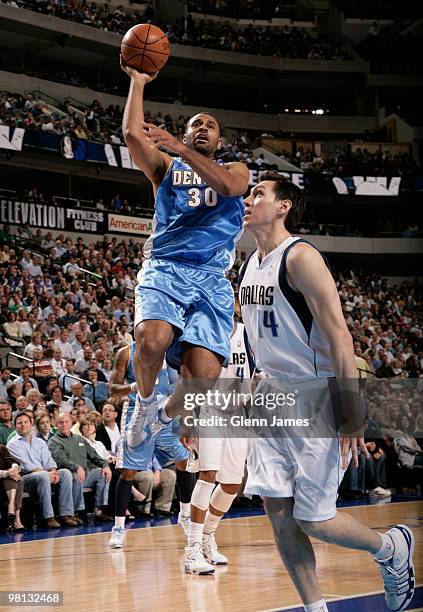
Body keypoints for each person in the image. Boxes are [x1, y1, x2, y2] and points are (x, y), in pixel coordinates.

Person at [239, 172, 415, 612]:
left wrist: (350, 412)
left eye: (258, 192)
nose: (248, 198)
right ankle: (315, 609)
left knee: (314, 519)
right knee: (278, 513)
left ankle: (390, 548)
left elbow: (339, 336)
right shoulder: (248, 263)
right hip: (272, 396)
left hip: (315, 395)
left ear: (283, 206)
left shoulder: (299, 257)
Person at [120, 59, 248, 449]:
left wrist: (178, 145)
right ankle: (144, 405)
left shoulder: (236, 169)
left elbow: (228, 188)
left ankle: (162, 416)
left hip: (211, 278)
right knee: (152, 339)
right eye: (196, 124)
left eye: (211, 125)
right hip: (166, 268)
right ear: (187, 134)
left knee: (203, 379)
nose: (203, 128)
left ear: (220, 142)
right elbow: (130, 134)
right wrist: (138, 81)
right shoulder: (165, 167)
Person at [107, 344, 194, 549]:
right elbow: (112, 389)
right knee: (129, 470)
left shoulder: (174, 351)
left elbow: (186, 386)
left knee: (185, 459)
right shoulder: (126, 353)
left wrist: (187, 421)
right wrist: (134, 387)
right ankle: (118, 527)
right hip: (138, 413)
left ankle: (186, 514)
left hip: (167, 411)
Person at [183, 320, 252, 574]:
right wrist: (188, 414)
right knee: (208, 474)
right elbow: (188, 372)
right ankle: (191, 549)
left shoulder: (249, 331)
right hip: (209, 408)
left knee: (232, 483)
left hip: (237, 412)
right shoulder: (204, 326)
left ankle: (207, 537)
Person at [7, 412, 79, 528]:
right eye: (19, 423)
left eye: (26, 422)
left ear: (31, 424)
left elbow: (49, 461)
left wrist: (54, 471)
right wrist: (48, 473)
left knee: (66, 473)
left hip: (45, 475)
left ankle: (66, 514)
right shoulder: (12, 444)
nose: (23, 425)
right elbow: (26, 466)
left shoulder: (39, 442)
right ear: (15, 426)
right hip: (25, 478)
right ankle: (48, 517)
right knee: (43, 475)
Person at [48, 412, 112, 522]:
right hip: (69, 475)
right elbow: (61, 460)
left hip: (86, 473)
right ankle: (78, 511)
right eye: (61, 423)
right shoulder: (54, 441)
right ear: (56, 425)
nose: (64, 425)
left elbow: (94, 455)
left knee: (103, 473)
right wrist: (76, 467)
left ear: (71, 423)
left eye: (66, 422)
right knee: (77, 476)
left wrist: (105, 465)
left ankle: (98, 510)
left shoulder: (79, 439)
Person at [0, 443, 25, 532]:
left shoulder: (1, 448)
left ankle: (12, 509)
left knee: (18, 479)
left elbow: (13, 462)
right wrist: (7, 473)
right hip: (2, 479)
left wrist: (14, 468)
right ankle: (16, 519)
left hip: (7, 481)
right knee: (13, 478)